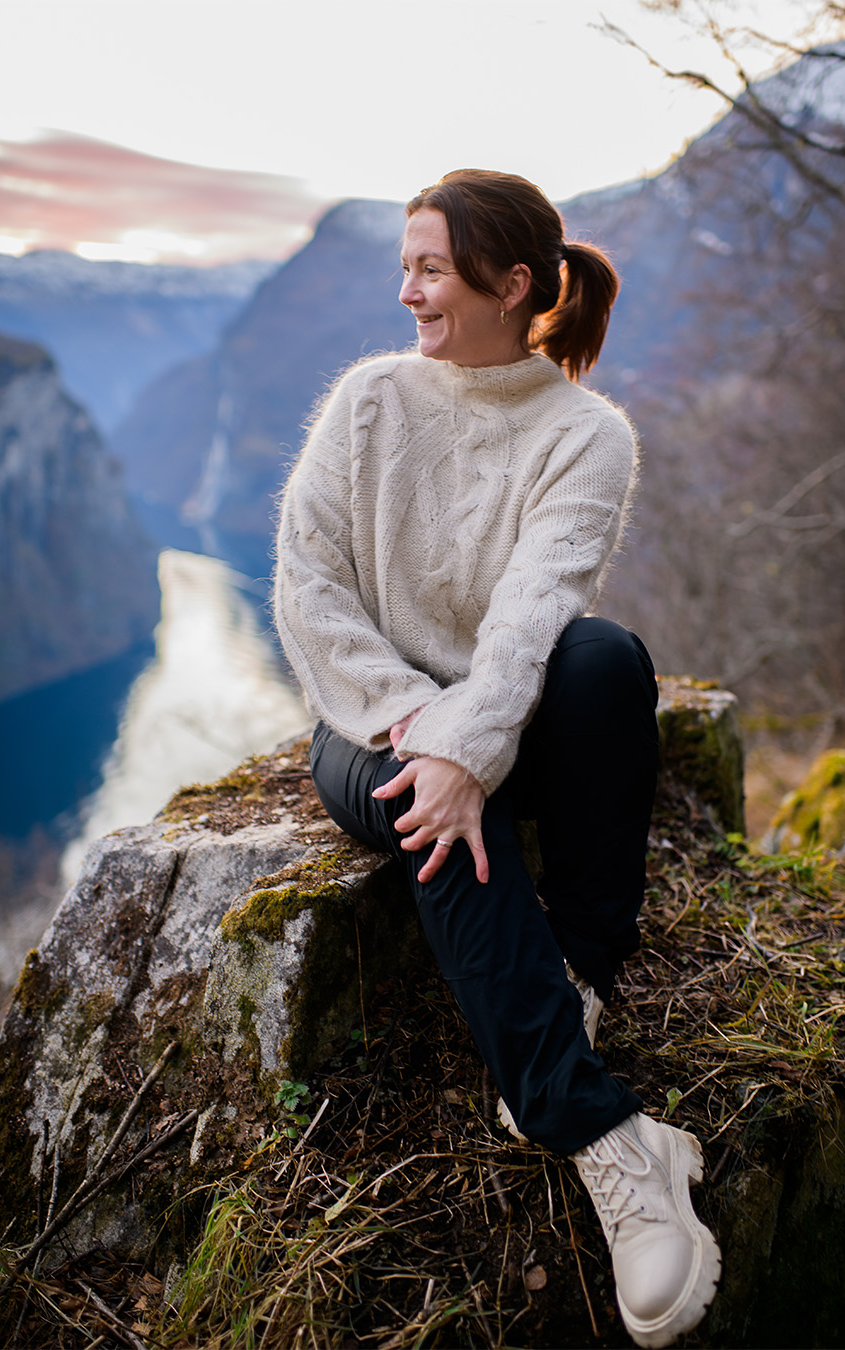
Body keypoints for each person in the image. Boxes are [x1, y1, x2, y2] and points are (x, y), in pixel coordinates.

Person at [275, 168, 720, 1349]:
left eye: (429, 266)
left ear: (510, 283)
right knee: (416, 797)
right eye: (407, 264)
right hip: (375, 728)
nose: (407, 289)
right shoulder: (370, 400)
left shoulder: (584, 435)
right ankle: (610, 1139)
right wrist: (425, 737)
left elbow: (535, 613)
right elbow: (310, 593)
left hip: (504, 713)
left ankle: (572, 967)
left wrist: (477, 738)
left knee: (605, 659)